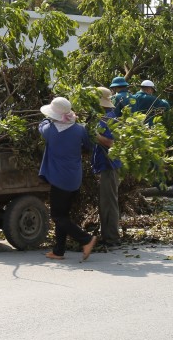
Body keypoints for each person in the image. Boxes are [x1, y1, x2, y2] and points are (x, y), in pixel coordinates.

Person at [38, 96, 98, 261]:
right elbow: (88, 145)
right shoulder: (80, 129)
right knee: (63, 215)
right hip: (74, 178)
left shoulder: (50, 130)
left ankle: (86, 239)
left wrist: (49, 120)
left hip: (59, 179)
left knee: (57, 216)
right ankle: (59, 251)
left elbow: (41, 126)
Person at [93, 87, 122, 248]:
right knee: (105, 202)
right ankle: (107, 236)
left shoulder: (110, 119)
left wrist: (95, 136)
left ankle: (112, 238)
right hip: (105, 164)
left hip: (110, 165)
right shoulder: (103, 117)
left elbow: (111, 143)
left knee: (109, 203)